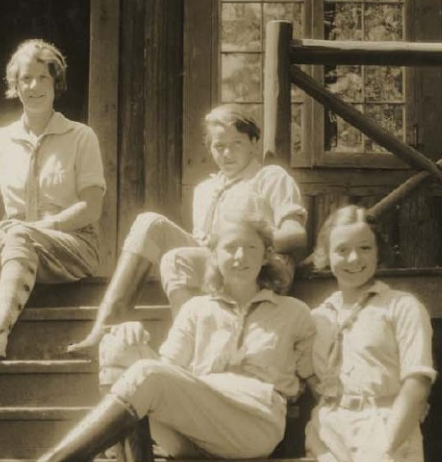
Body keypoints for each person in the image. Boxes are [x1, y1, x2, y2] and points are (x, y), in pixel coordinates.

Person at [0, 211, 315, 462]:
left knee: (146, 373)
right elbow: (166, 371)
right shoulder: (197, 309)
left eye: (250, 247)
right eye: (230, 248)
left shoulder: (293, 312)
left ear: (265, 254)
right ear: (213, 255)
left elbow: (313, 374)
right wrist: (133, 335)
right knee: (117, 344)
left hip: (252, 426)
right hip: (194, 431)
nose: (240, 257)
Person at [68, 103, 307, 355]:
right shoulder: (205, 190)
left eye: (236, 143)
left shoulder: (269, 177)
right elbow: (204, 248)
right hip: (219, 266)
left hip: (260, 267)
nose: (227, 153)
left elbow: (296, 235)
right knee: (149, 222)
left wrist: (248, 241)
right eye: (219, 146)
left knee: (176, 259)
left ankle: (196, 346)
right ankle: (107, 324)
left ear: (254, 142)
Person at [0, 39, 106, 362]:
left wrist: (40, 226)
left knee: (17, 233)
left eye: (43, 77)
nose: (34, 86)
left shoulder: (81, 136)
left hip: (74, 244)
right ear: (14, 86)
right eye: (25, 78)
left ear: (56, 83)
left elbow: (91, 207)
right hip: (19, 247)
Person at [305, 206, 434, 462]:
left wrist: (388, 443)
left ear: (379, 252)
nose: (354, 259)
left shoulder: (401, 307)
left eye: (364, 248)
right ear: (326, 254)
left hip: (384, 423)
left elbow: (417, 380)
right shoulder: (314, 318)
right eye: (342, 249)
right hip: (330, 432)